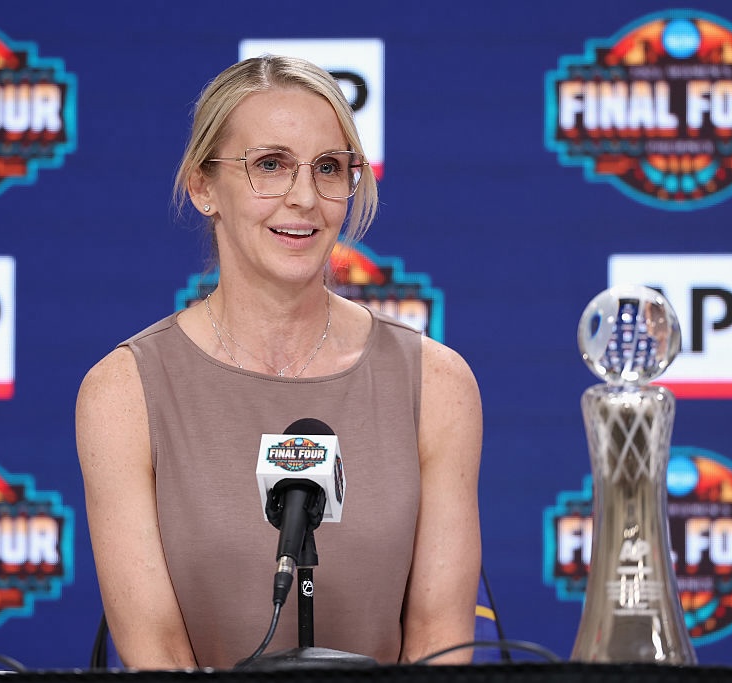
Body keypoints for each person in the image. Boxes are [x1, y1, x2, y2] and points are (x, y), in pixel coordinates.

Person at [75, 55, 483, 671]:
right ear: (203, 186)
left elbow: (438, 639)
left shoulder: (437, 383)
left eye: (328, 168)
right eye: (270, 165)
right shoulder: (123, 392)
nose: (304, 198)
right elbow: (157, 652)